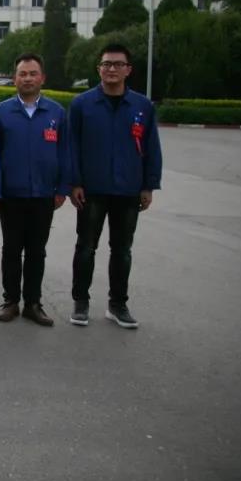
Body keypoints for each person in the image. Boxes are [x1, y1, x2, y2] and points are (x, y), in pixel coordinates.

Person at [68, 43, 162, 329]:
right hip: (91, 189)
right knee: (86, 248)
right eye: (106, 64)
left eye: (118, 64)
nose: (111, 69)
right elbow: (71, 146)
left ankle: (118, 304)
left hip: (128, 189)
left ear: (128, 70)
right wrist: (74, 182)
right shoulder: (82, 104)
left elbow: (152, 147)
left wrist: (149, 186)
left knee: (122, 250)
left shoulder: (142, 106)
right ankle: (80, 302)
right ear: (99, 69)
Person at [0, 53, 68, 326]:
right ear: (14, 79)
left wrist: (62, 188)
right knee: (11, 249)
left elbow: (65, 152)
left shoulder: (57, 113)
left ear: (42, 78)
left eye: (33, 73)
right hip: (10, 194)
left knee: (37, 251)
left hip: (44, 195)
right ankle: (11, 301)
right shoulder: (0, 113)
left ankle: (33, 303)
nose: (27, 78)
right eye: (22, 74)